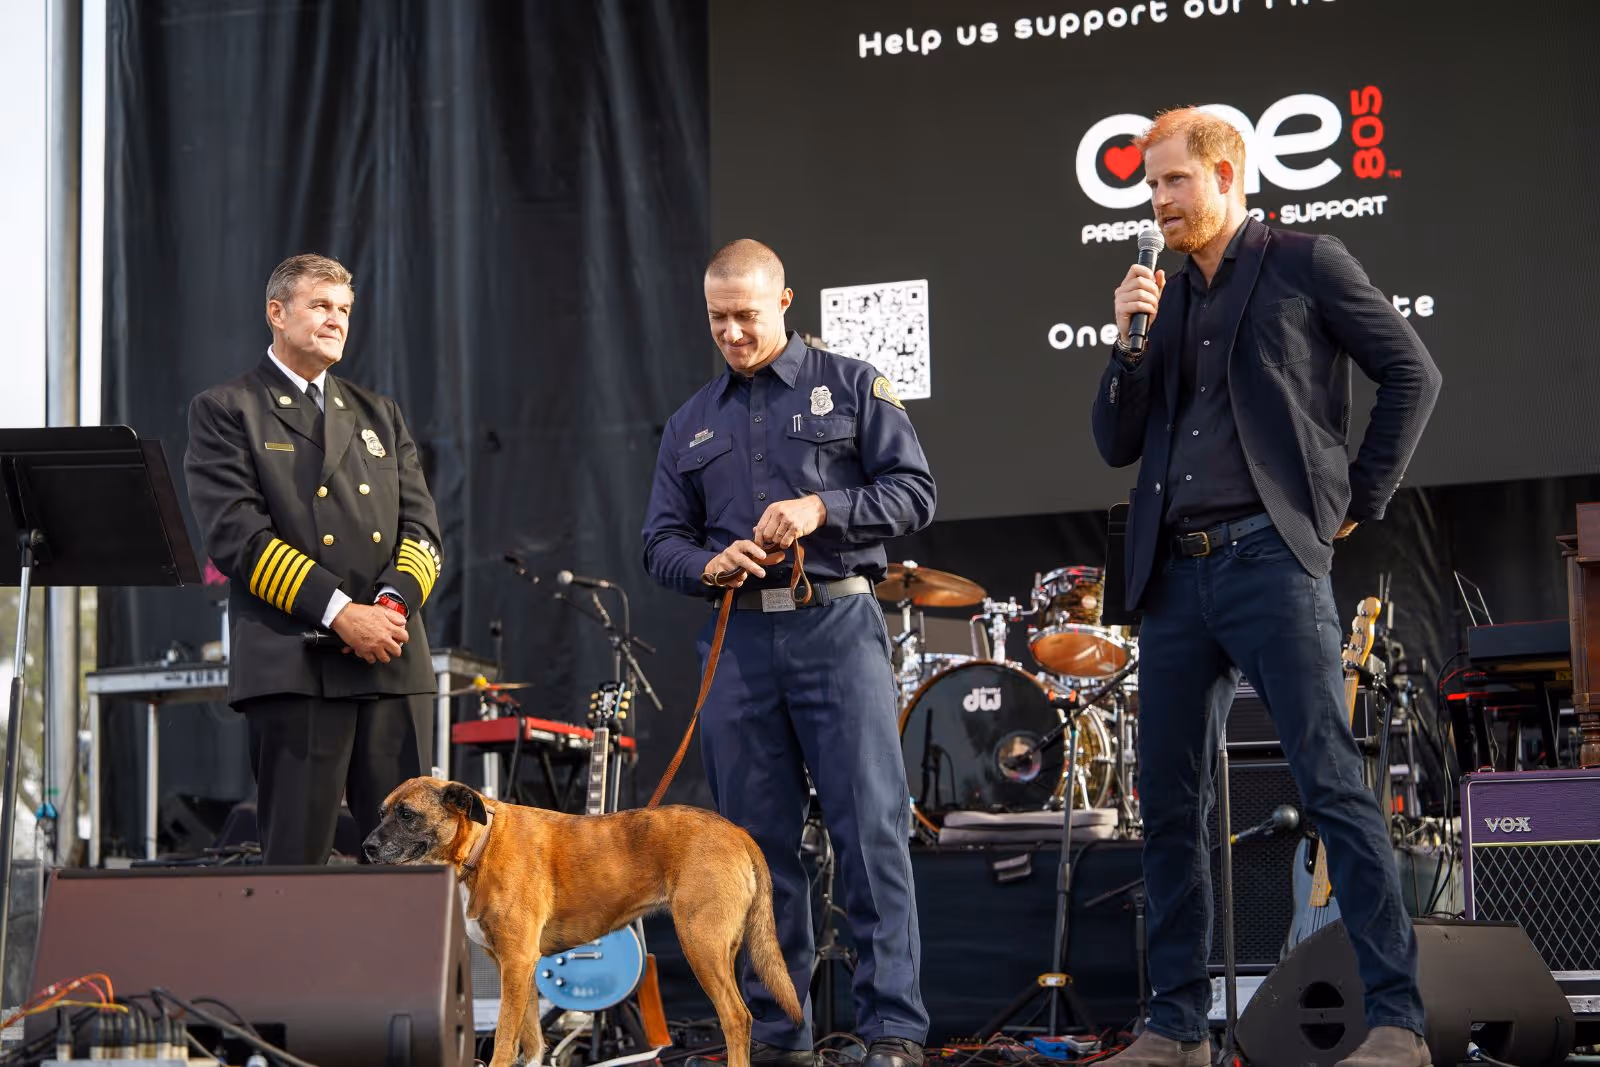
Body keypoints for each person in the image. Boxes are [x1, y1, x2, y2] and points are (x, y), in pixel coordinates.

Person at [1090, 110, 1442, 1067]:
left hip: (1271, 561)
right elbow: (1114, 441)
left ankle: (1399, 1022)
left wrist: (1355, 497)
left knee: (1330, 781)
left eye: (1173, 182)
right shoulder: (1153, 297)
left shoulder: (1304, 260)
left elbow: (1412, 372)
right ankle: (1175, 1028)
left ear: (1226, 172)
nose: (1158, 202)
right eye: (1148, 188)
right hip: (1171, 575)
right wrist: (1129, 342)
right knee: (1168, 803)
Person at [643, 240, 934, 1067]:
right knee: (753, 851)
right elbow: (658, 540)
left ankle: (894, 1032)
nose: (732, 332)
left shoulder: (850, 382)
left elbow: (917, 492)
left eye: (747, 314)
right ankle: (778, 1035)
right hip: (736, 640)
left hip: (835, 627)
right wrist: (707, 562)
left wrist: (822, 508)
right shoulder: (689, 421)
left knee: (869, 833)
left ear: (785, 301)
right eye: (717, 318)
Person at [185, 253, 444, 866]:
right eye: (320, 306)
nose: (336, 321)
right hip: (297, 661)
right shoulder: (228, 408)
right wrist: (340, 612)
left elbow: (424, 531)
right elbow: (237, 536)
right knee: (297, 872)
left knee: (408, 870)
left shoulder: (379, 413)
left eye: (345, 310)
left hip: (387, 657)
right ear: (277, 313)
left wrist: (385, 609)